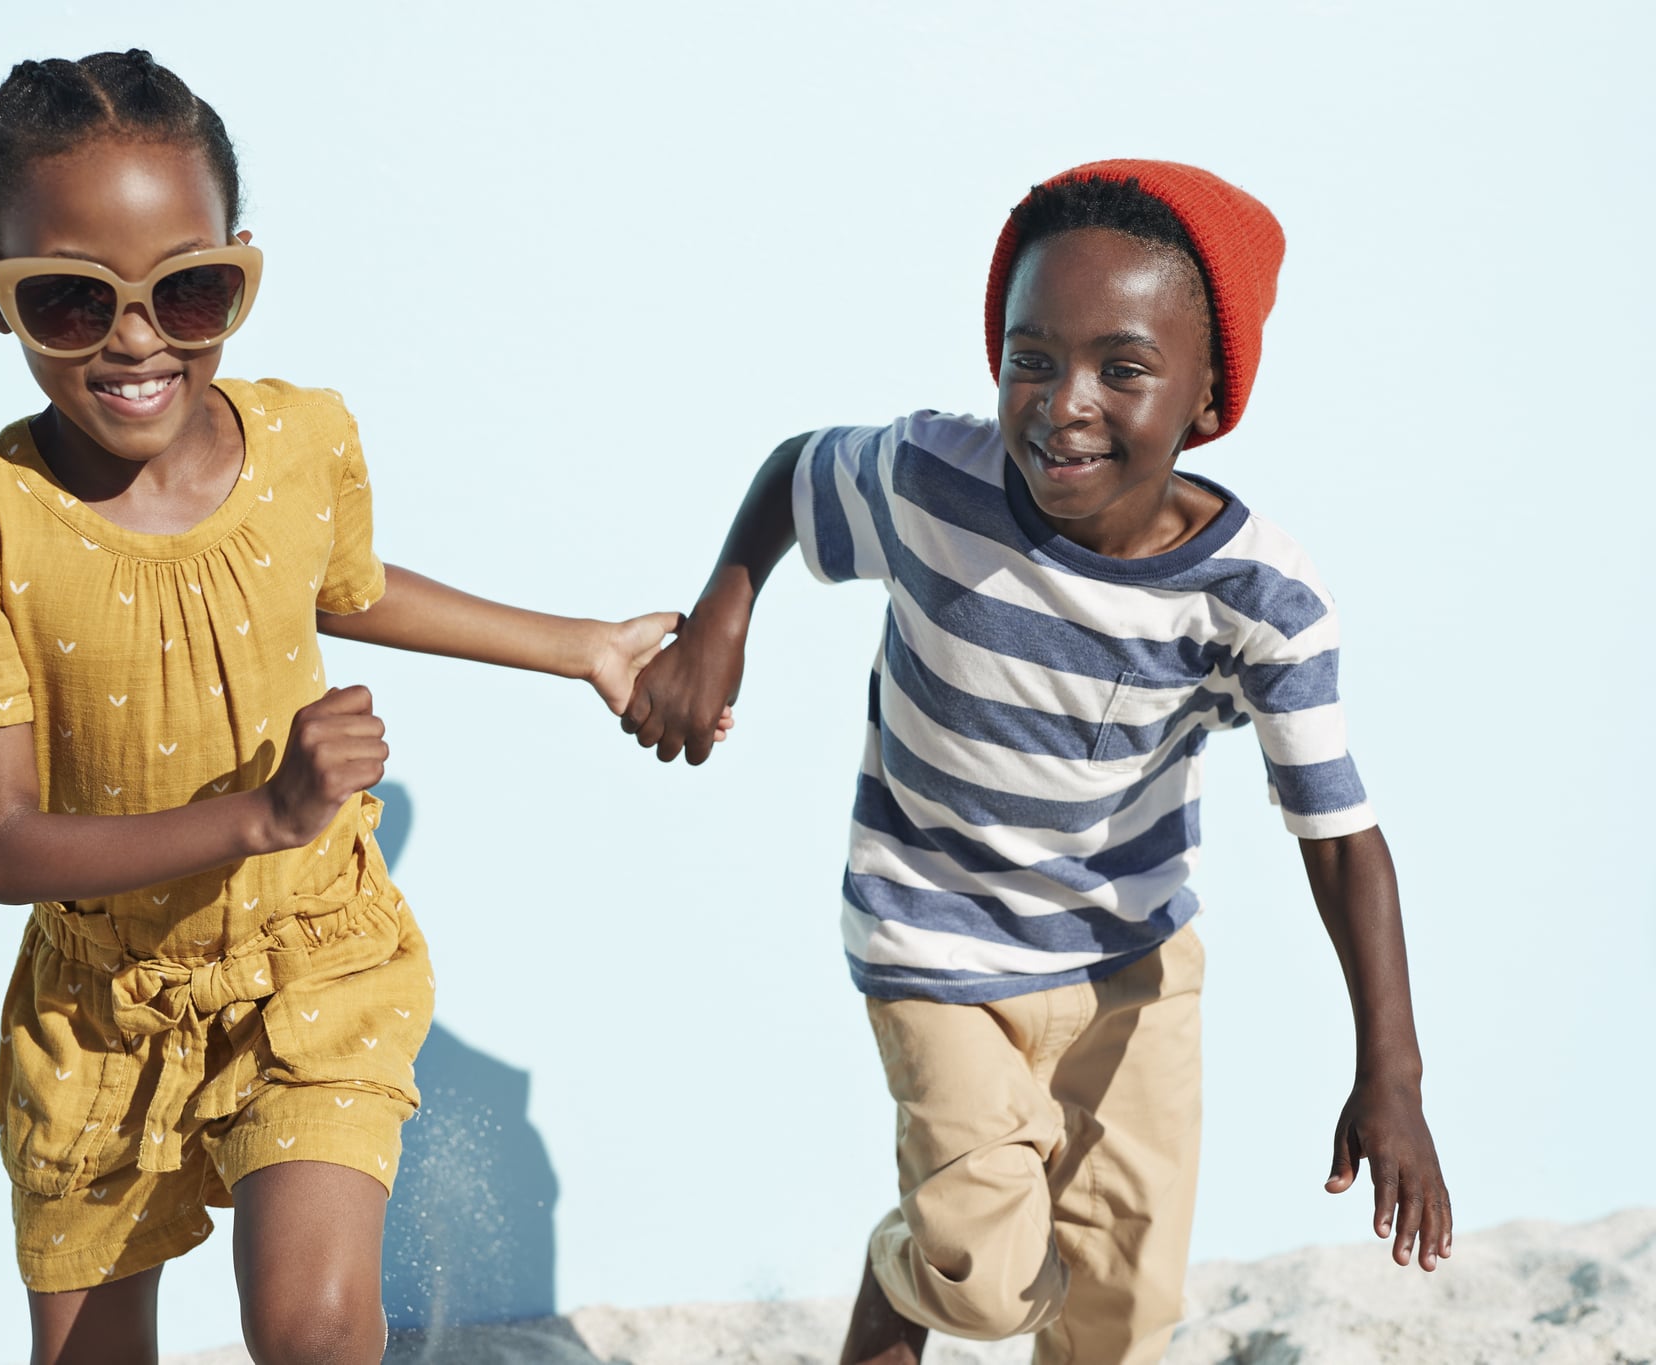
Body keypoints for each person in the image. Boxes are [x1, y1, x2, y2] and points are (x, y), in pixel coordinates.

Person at [0, 50, 721, 1365]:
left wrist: (584, 645)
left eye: (190, 291)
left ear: (243, 263)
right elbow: (2, 846)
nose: (140, 339)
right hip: (102, 1012)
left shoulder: (305, 439)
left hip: (316, 957)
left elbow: (339, 585)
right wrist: (262, 812)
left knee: (313, 1331)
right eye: (74, 304)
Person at [620, 160, 1451, 1365]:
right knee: (986, 1284)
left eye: (1121, 368)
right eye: (1029, 358)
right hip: (932, 942)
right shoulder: (931, 484)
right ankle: (900, 1277)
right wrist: (720, 621)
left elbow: (1339, 841)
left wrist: (1394, 1077)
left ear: (1207, 394)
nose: (1062, 404)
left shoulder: (1258, 601)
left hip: (1134, 963)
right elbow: (798, 474)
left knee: (1121, 1313)